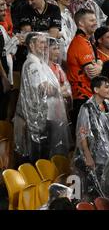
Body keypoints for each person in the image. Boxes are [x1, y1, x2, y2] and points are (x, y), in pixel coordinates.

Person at [14, 32, 70, 162]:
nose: (45, 45)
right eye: (41, 42)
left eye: (45, 42)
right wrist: (61, 90)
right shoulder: (32, 64)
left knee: (44, 156)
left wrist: (58, 90)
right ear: (31, 45)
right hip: (35, 120)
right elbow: (45, 89)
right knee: (36, 158)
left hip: (44, 117)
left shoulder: (41, 63)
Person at [73, 76, 109, 200]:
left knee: (108, 192)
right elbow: (82, 133)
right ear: (96, 89)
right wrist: (88, 156)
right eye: (106, 86)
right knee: (95, 193)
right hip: (95, 158)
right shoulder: (86, 108)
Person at [66, 8, 102, 132]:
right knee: (84, 139)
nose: (95, 23)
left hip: (88, 95)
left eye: (95, 20)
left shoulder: (86, 41)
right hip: (81, 96)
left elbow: (97, 65)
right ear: (81, 23)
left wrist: (99, 63)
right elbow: (92, 74)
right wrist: (100, 65)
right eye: (91, 20)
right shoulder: (80, 42)